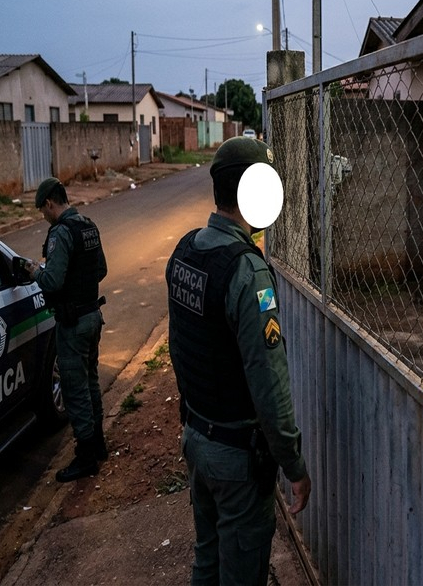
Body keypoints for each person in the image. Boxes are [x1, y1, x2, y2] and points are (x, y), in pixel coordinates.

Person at [166, 136, 311, 585]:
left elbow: (179, 346)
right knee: (242, 570)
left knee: (207, 558)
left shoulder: (186, 251)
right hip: (235, 459)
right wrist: (294, 465)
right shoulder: (248, 273)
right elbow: (270, 384)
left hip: (197, 437)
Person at [26, 177, 108, 482]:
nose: (43, 216)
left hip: (72, 324)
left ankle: (86, 457)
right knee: (90, 381)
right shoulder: (88, 225)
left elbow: (52, 281)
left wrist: (34, 270)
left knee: (75, 391)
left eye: (42, 211)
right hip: (93, 316)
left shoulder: (61, 233)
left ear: (49, 203)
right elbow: (101, 269)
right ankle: (98, 445)